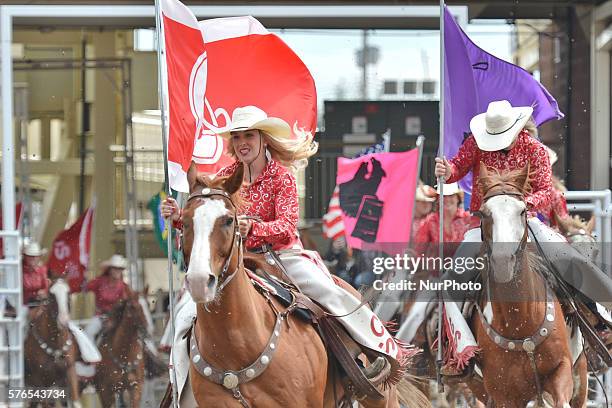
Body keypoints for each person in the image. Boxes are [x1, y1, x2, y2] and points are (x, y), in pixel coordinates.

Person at [162, 105, 407, 383]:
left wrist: (254, 226)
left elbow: (288, 225)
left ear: (263, 139)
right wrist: (180, 218)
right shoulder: (225, 177)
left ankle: (372, 354)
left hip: (282, 255)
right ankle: (179, 384)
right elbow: (209, 221)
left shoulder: (281, 175)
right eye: (238, 137)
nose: (243, 143)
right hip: (235, 258)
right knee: (183, 312)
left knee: (327, 293)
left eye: (249, 136)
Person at [434, 99, 612, 374]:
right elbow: (457, 167)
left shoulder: (534, 149)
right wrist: (447, 172)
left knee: (571, 259)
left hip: (525, 222)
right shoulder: (476, 143)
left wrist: (521, 206)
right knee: (450, 283)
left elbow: (546, 191)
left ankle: (601, 319)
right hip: (486, 223)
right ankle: (458, 349)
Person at [83, 255, 130, 341]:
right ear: (109, 269)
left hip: (117, 318)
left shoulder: (124, 286)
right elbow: (85, 288)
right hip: (100, 316)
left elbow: (126, 305)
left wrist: (114, 318)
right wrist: (84, 276)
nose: (117, 271)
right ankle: (91, 354)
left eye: (120, 269)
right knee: (87, 333)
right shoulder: (100, 281)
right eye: (115, 268)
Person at [22, 242, 49, 306]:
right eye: (30, 256)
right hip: (23, 304)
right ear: (25, 257)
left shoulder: (42, 270)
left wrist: (43, 292)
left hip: (38, 303)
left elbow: (45, 287)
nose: (33, 258)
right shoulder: (20, 270)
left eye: (35, 256)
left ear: (39, 257)